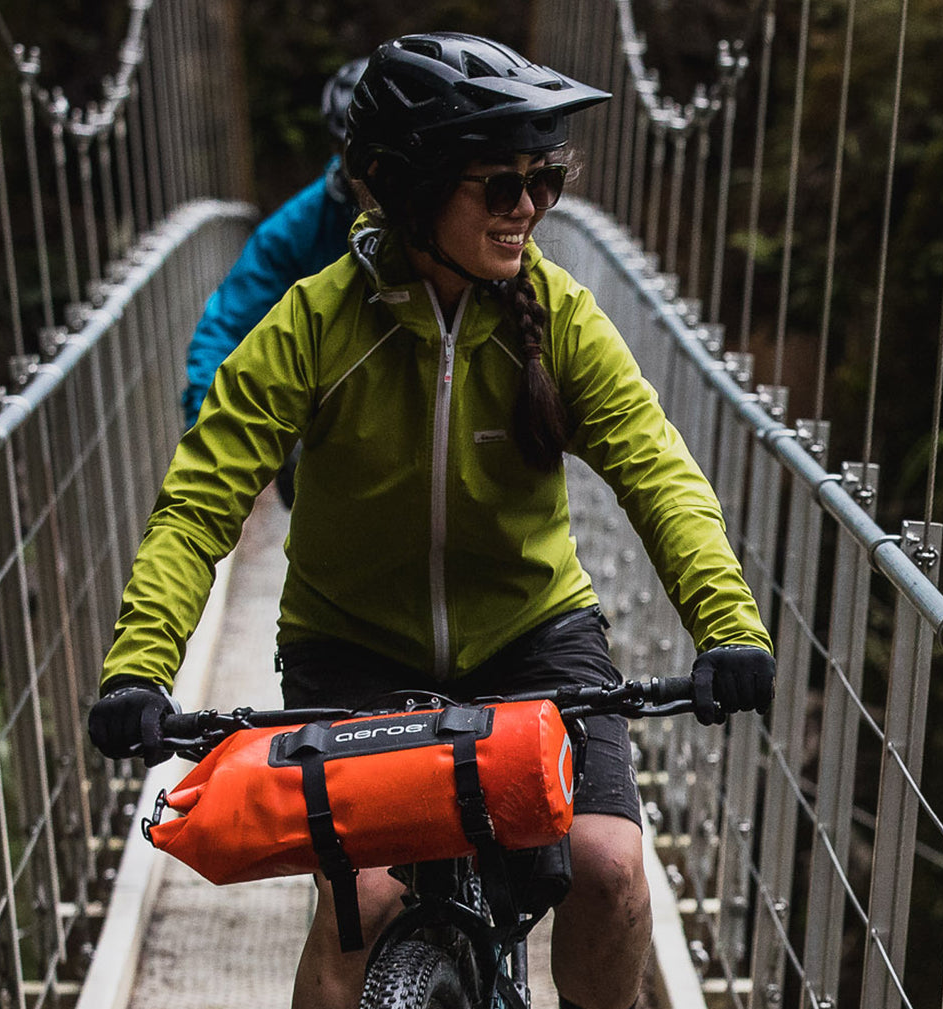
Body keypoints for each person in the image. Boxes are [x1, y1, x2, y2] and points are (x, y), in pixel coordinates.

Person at [89, 31, 775, 1009]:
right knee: (357, 902)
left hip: (534, 640)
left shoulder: (562, 317)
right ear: (409, 190)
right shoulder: (313, 325)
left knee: (612, 867)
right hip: (353, 649)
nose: (529, 207)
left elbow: (657, 472)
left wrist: (729, 628)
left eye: (545, 181)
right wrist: (139, 666)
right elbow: (202, 499)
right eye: (499, 186)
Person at [180, 55, 367, 430]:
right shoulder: (295, 229)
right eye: (359, 153)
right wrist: (206, 434)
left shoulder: (461, 215)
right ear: (336, 149)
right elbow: (227, 329)